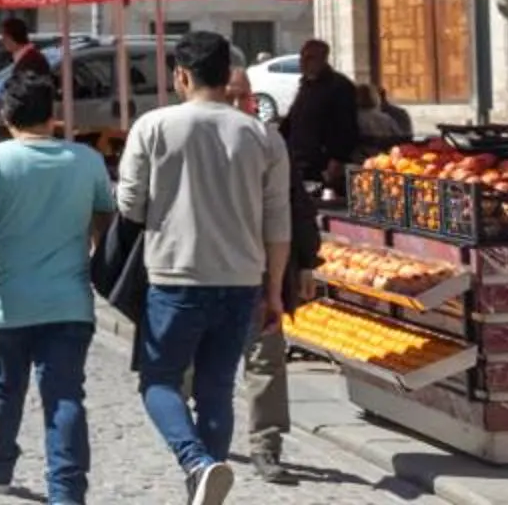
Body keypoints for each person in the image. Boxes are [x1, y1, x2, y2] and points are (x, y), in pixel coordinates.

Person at [118, 30, 291, 505]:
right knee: (216, 389)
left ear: (181, 75)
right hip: (241, 281)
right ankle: (204, 487)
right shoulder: (262, 135)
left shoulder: (153, 127)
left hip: (176, 277)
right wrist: (274, 290)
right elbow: (279, 222)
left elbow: (130, 207)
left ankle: (197, 462)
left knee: (158, 381)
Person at [0, 69, 116, 505]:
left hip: (5, 302)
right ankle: (67, 493)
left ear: (6, 114)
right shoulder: (87, 161)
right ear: (53, 115)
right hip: (69, 302)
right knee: (65, 398)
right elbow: (105, 228)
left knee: (2, 388)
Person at [233, 63, 311, 488]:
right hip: (205, 275)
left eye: (242, 96)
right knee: (194, 362)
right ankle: (196, 433)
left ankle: (266, 445)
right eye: (228, 95)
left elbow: (294, 208)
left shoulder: (269, 143)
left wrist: (305, 264)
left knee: (265, 361)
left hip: (264, 269)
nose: (236, 105)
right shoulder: (194, 140)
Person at [278, 40, 361, 197]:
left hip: (322, 161)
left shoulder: (339, 86)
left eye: (310, 58)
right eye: (302, 58)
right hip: (299, 158)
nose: (303, 63)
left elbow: (346, 126)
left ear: (322, 59)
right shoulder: (306, 86)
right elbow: (293, 118)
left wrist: (337, 158)